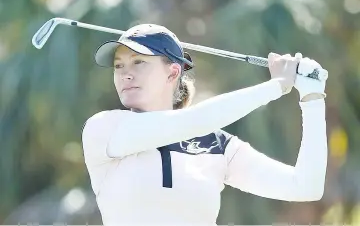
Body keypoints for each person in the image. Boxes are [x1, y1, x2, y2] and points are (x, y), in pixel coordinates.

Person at [81, 23, 328, 226]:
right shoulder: (105, 129)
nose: (126, 74)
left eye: (138, 62)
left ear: (172, 72)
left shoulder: (217, 145)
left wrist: (312, 98)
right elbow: (193, 121)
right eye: (118, 66)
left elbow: (305, 186)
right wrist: (277, 86)